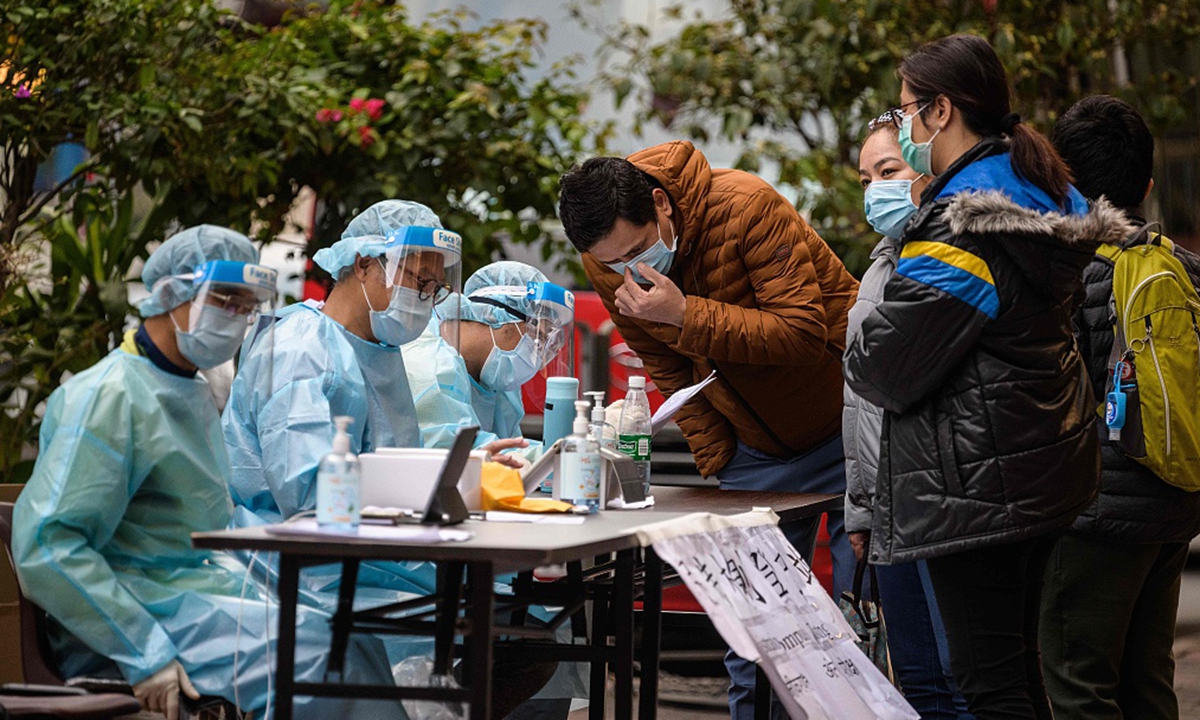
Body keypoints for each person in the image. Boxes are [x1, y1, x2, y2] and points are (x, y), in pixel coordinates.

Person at [842, 34, 1135, 719]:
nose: (904, 125)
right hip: (1036, 463)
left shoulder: (961, 228)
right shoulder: (1030, 191)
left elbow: (883, 365)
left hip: (979, 481)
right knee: (1016, 672)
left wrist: (858, 346)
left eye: (908, 110)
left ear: (942, 111)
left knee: (989, 683)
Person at [11, 225, 402, 720]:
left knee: (356, 640)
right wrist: (142, 649)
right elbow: (48, 546)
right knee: (323, 658)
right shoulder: (106, 397)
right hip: (132, 617)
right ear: (172, 293)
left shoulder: (187, 391)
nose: (236, 317)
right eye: (225, 300)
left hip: (197, 595)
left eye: (247, 305)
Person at [557, 140, 859, 720]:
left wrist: (684, 313)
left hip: (846, 424)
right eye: (614, 264)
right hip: (754, 454)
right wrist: (725, 461)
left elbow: (802, 333)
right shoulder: (607, 258)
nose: (630, 270)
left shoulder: (747, 205)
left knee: (854, 623)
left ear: (661, 203)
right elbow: (666, 367)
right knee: (755, 642)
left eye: (638, 251)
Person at [1039, 94, 1200, 720]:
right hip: (1173, 506)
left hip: (1094, 516)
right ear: (1148, 187)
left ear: (1062, 182)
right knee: (1148, 680)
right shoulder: (1184, 269)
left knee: (1078, 685)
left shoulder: (1068, 274)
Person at [844, 111, 972, 719]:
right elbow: (858, 401)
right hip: (888, 513)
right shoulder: (879, 266)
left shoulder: (956, 256)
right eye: (865, 179)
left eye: (889, 171)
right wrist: (860, 508)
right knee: (917, 683)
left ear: (927, 167)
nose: (875, 190)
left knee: (964, 679)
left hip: (945, 506)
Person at [404, 260, 575, 463]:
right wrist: (557, 457)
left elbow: (508, 448)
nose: (540, 357)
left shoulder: (498, 382)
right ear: (497, 317)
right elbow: (455, 458)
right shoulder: (431, 367)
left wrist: (570, 450)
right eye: (538, 338)